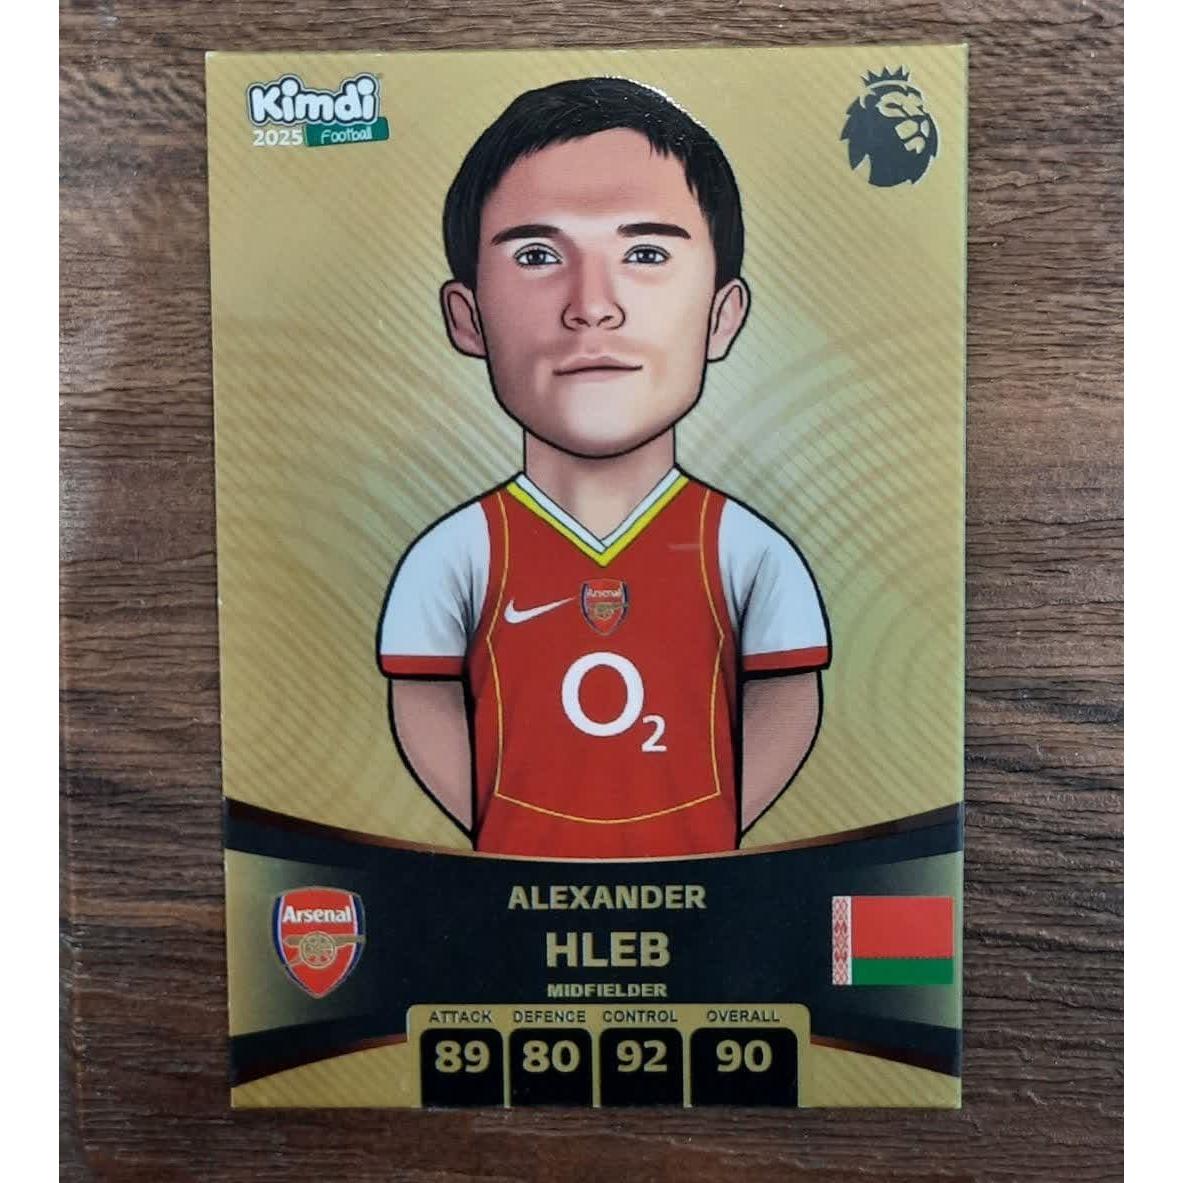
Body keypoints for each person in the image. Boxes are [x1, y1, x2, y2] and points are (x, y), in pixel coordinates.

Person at [377, 77, 830, 859]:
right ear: (467, 318)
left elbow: (787, 696)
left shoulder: (746, 551)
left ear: (722, 316)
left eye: (645, 253)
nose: (592, 305)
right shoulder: (457, 554)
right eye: (537, 254)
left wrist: (705, 831)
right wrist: (502, 830)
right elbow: (422, 698)